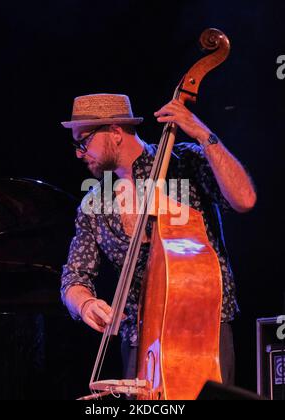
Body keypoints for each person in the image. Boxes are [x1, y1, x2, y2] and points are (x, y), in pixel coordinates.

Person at [61, 93, 257, 386]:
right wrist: (85, 304)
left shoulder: (185, 163)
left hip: (200, 329)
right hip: (138, 342)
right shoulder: (95, 202)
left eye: (83, 141)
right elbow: (73, 278)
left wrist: (204, 134)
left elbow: (245, 199)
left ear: (115, 132)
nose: (78, 153)